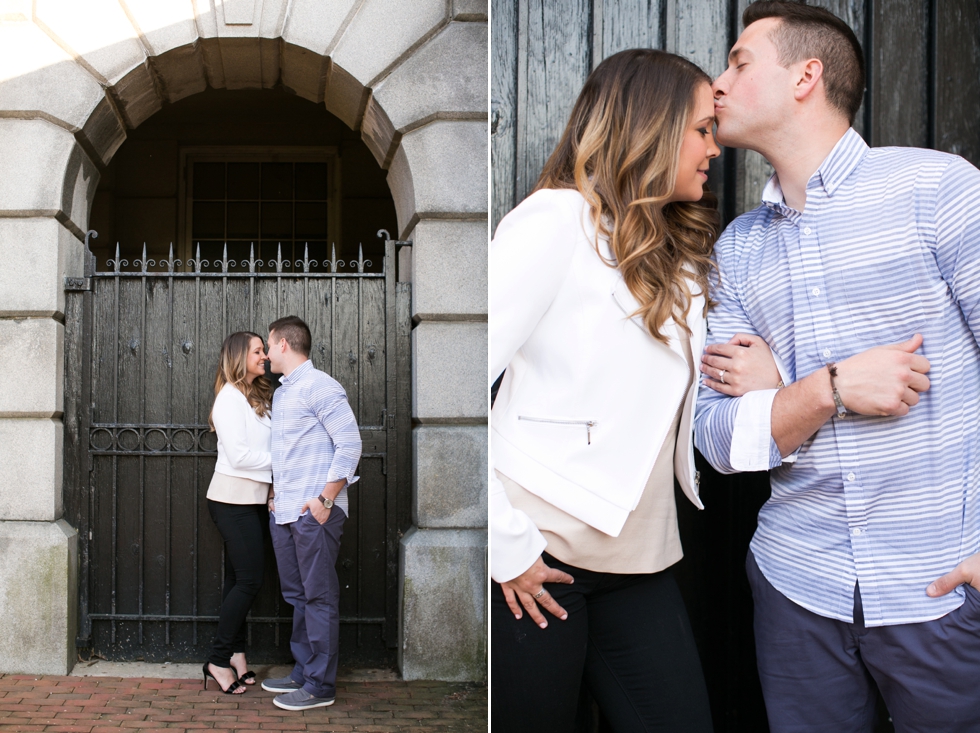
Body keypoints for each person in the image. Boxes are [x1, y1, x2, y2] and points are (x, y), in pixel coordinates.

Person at [694, 2, 980, 731]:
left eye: (739, 62)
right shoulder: (737, 250)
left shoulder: (940, 191)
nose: (717, 83)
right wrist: (826, 389)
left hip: (941, 589)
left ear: (805, 76)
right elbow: (721, 442)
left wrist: (779, 398)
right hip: (798, 591)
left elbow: (756, 425)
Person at [490, 49, 781, 732]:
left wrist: (770, 375)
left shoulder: (678, 254)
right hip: (540, 550)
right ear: (649, 127)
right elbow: (456, 385)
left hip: (641, 555)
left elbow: (706, 373)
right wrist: (506, 546)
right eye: (702, 130)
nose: (716, 148)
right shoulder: (555, 220)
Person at [259, 315, 362, 711]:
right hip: (285, 512)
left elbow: (350, 445)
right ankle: (304, 671)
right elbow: (288, 451)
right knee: (297, 595)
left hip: (314, 512)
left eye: (269, 345)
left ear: (284, 344)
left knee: (318, 597)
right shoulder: (284, 393)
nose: (266, 354)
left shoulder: (321, 386)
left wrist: (325, 500)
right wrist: (274, 494)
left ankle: (320, 686)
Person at [202, 331, 274, 695]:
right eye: (258, 351)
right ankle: (217, 659)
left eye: (264, 350)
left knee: (237, 582)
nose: (264, 356)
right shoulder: (229, 399)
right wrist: (286, 464)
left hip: (254, 502)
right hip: (231, 502)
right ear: (239, 356)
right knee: (249, 582)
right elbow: (240, 456)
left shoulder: (256, 396)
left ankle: (237, 656)